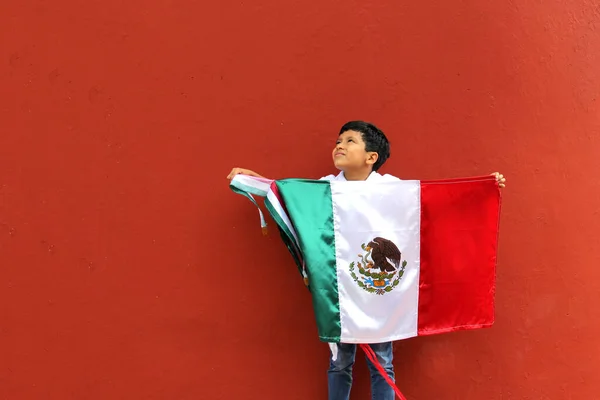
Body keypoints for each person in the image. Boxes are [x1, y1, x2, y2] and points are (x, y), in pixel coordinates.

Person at [227, 121, 506, 400]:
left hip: (381, 294)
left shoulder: (393, 189)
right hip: (341, 291)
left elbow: (435, 205)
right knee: (340, 362)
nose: (340, 145)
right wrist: (256, 181)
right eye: (338, 140)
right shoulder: (325, 188)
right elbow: (289, 195)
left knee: (382, 361)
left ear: (371, 157)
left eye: (350, 141)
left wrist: (484, 188)